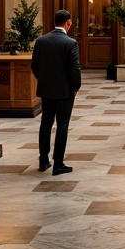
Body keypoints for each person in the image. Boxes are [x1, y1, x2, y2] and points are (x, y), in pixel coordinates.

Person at [30, 9, 81, 175]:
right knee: (62, 124)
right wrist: (75, 87)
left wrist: (44, 81)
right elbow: (75, 69)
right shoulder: (70, 43)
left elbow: (34, 66)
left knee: (46, 123)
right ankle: (58, 163)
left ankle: (43, 160)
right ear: (68, 23)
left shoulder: (41, 41)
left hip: (46, 90)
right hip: (65, 91)